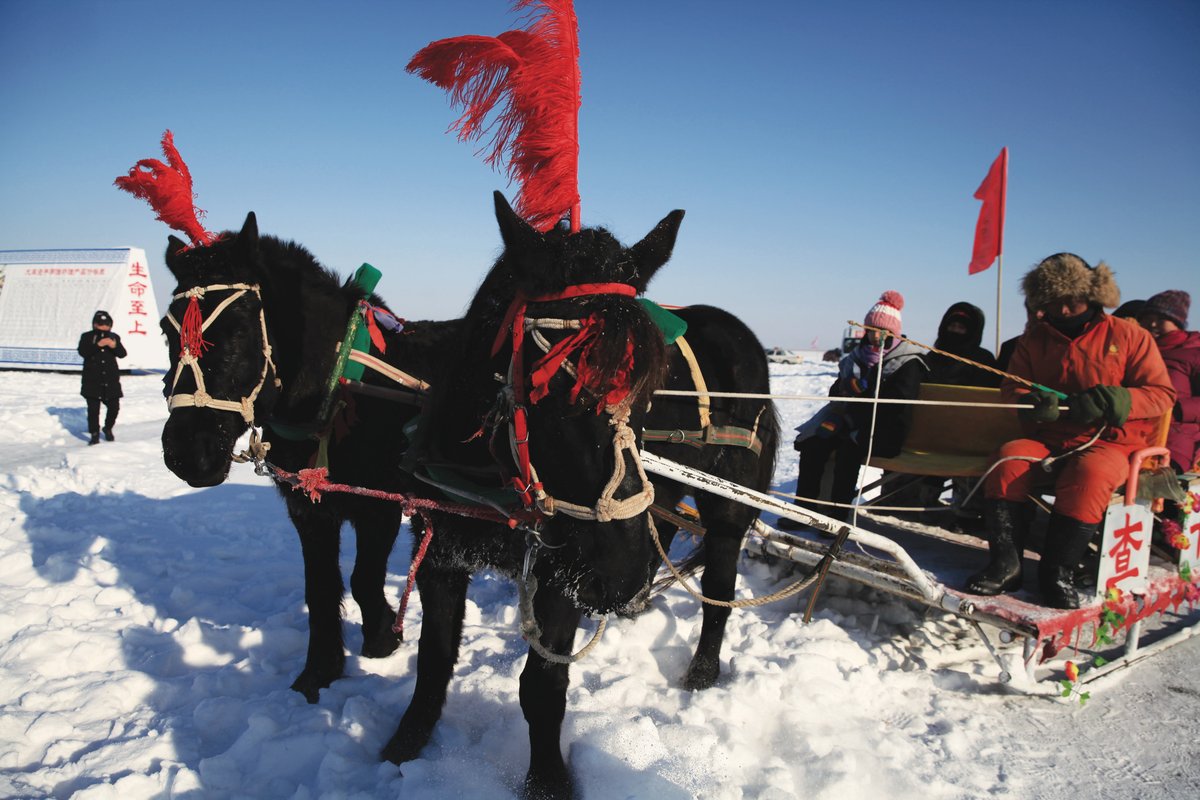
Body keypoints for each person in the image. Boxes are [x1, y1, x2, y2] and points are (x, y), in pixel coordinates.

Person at [964, 254, 1175, 608]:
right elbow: (1012, 388)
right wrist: (1032, 401)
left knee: (1089, 473)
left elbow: (1161, 394)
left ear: (1090, 296)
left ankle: (1056, 573)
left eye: (1070, 299)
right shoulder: (1033, 340)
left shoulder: (1129, 336)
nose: (1063, 310)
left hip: (1111, 443)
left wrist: (1119, 399)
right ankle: (1005, 565)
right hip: (1049, 439)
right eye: (1054, 301)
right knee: (1008, 458)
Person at [780, 291, 927, 528]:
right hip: (846, 420)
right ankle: (805, 510)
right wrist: (843, 388)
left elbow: (899, 403)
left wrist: (864, 394)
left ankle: (837, 519)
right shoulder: (855, 358)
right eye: (871, 329)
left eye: (882, 331)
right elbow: (836, 393)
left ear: (893, 333)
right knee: (813, 444)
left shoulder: (907, 361)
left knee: (849, 451)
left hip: (884, 429)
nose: (875, 336)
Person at [1139, 290, 1199, 474]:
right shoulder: (1138, 349)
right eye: (1147, 317)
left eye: (1161, 319)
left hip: (1176, 438)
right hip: (1136, 432)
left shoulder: (1193, 352)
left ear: (1178, 323)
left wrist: (1177, 410)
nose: (1153, 324)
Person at [78, 310, 126, 445]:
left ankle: (108, 427)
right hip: (92, 381)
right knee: (93, 410)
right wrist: (98, 345)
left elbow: (122, 354)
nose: (103, 327)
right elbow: (83, 352)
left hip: (111, 381)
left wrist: (113, 346)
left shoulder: (114, 337)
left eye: (106, 324)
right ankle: (94, 433)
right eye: (100, 324)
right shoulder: (87, 336)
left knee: (114, 407)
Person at [924, 301, 1001, 387]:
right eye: (952, 326)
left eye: (961, 328)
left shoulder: (983, 359)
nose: (955, 330)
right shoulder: (933, 356)